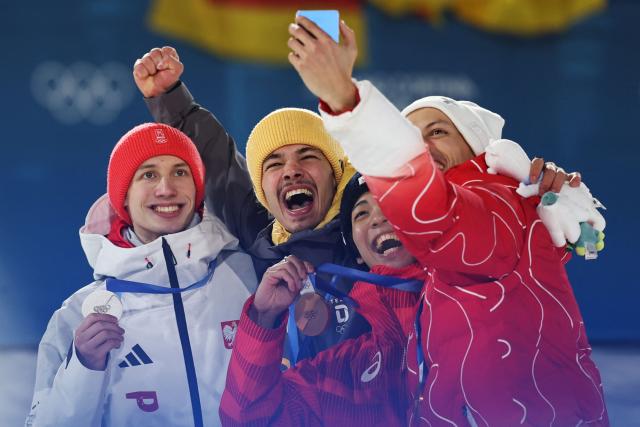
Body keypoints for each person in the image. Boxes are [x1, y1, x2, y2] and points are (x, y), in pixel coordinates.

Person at [133, 47, 580, 365]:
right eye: (273, 163)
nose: (290, 171)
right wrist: (171, 98)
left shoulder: (378, 230)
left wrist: (542, 198)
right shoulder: (260, 233)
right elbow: (219, 165)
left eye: (309, 156)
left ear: (338, 173)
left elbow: (461, 216)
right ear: (263, 191)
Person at [289, 16, 609, 426]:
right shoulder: (419, 273)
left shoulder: (496, 202)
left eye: (437, 131)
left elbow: (442, 220)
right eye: (412, 135)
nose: (421, 146)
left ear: (475, 148)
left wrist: (346, 101)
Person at [26, 123, 256, 427]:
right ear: (123, 196)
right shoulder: (77, 314)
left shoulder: (245, 273)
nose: (166, 189)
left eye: (180, 172)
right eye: (149, 174)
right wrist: (84, 367)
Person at [219, 174, 425, 426]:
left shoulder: (475, 307)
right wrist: (263, 317)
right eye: (361, 213)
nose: (378, 218)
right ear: (357, 253)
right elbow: (252, 420)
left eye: (391, 204)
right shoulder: (346, 369)